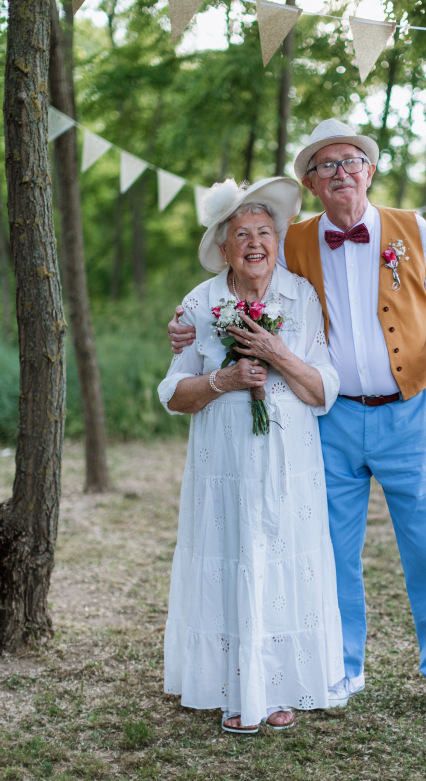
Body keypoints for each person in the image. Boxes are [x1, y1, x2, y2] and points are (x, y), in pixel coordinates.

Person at [169, 119, 426, 718]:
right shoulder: (294, 239)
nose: (342, 172)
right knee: (331, 551)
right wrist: (186, 324)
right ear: (310, 183)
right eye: (327, 165)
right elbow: (235, 285)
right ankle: (342, 666)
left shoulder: (414, 229)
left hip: (409, 411)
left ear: (369, 170)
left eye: (351, 161)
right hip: (329, 420)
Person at [158, 176, 344, 734]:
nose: (256, 243)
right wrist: (225, 378)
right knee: (231, 560)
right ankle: (233, 688)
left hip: (290, 466)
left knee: (285, 565)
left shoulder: (302, 296)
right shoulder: (200, 302)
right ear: (224, 247)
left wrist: (274, 352)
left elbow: (321, 390)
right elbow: (173, 395)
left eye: (265, 231)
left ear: (278, 240)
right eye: (243, 234)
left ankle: (281, 686)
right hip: (225, 470)